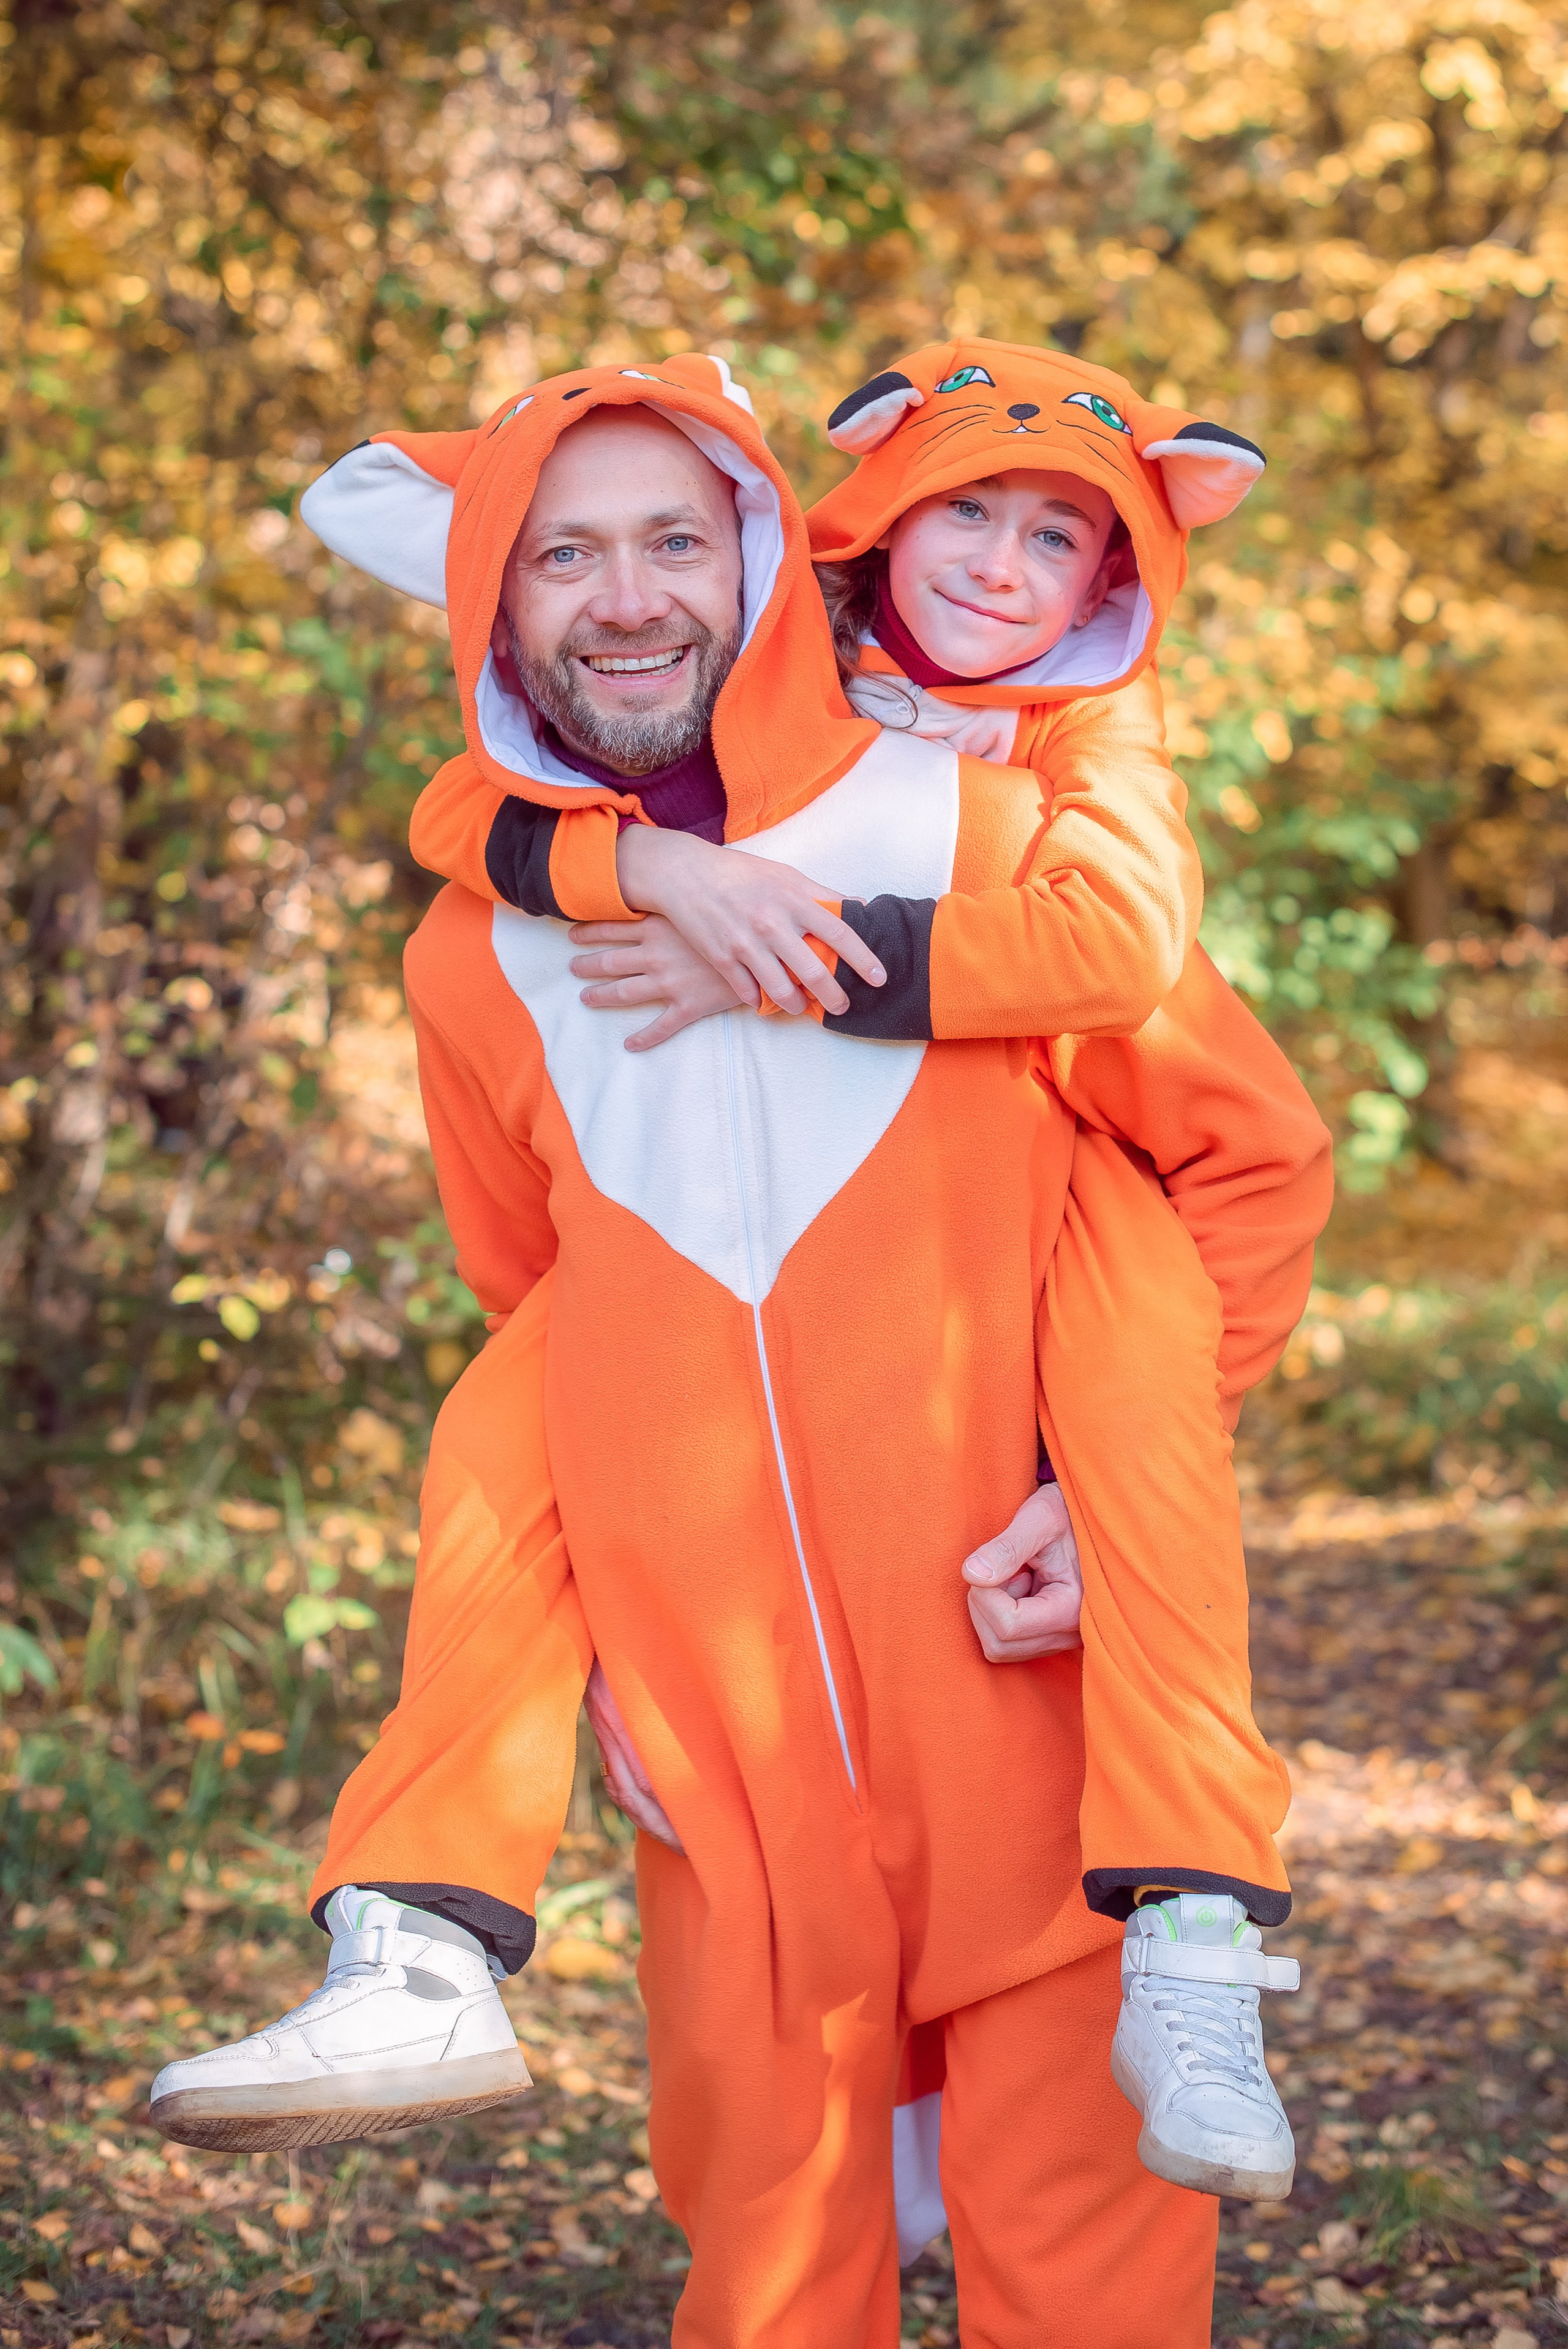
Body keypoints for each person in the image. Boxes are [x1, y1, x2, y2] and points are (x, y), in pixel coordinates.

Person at [150, 356, 1325, 2343]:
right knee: (773, 2268)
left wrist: (1116, 1476)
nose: (624, 599)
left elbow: (1251, 1158)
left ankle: (1203, 1951)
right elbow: (536, 1307)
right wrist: (592, 1621)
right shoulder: (474, 950)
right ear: (486, 604)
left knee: (1094, 2275)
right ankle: (417, 1939)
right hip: (734, 1781)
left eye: (675, 540)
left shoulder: (991, 845)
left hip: (1032, 1726)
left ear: (768, 553)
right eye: (557, 557)